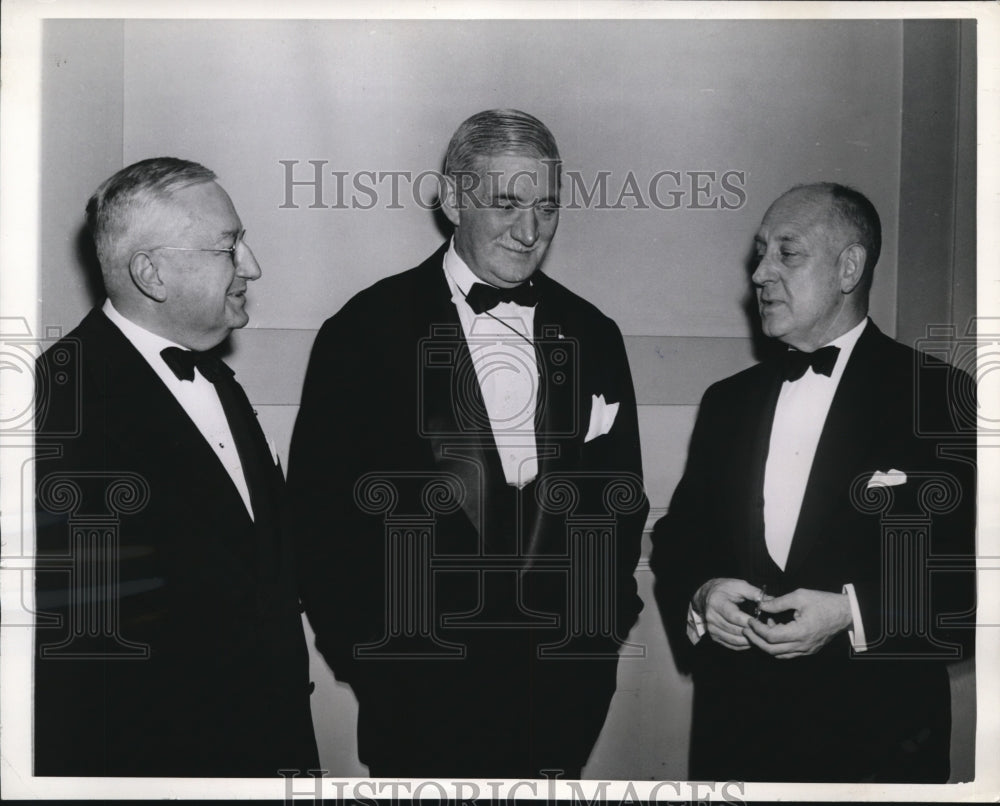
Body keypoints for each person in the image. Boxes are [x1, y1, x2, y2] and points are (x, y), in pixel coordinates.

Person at [287, 109, 648, 779]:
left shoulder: (594, 333)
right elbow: (316, 521)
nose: (531, 230)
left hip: (565, 699)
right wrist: (371, 663)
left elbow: (621, 503)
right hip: (415, 701)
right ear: (452, 198)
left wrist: (600, 636)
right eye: (507, 202)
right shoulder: (364, 331)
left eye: (546, 206)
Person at [650, 183, 976, 783]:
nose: (759, 273)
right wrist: (702, 591)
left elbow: (975, 580)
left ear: (849, 267)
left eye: (787, 253)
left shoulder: (943, 397)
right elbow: (678, 536)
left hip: (875, 747)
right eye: (759, 252)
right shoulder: (727, 403)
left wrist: (852, 613)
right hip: (737, 739)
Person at [33, 157, 319, 777]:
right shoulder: (60, 403)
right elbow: (84, 658)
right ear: (152, 273)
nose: (252, 266)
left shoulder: (218, 379)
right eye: (228, 247)